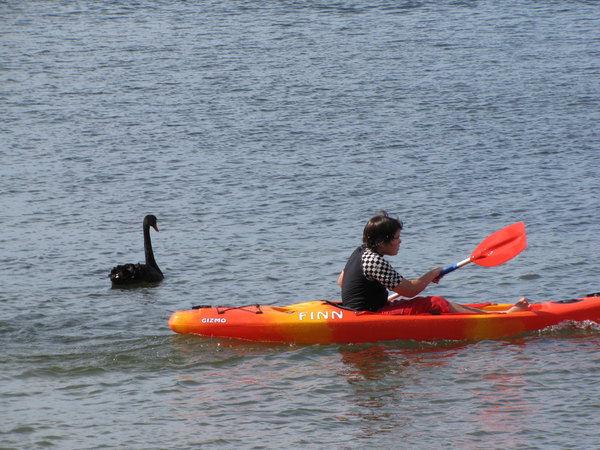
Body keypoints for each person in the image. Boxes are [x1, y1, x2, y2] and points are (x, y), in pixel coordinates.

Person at [338, 211, 530, 315]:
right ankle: (503, 317)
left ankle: (488, 313)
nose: (400, 241)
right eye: (397, 237)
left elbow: (342, 281)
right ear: (383, 241)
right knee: (435, 302)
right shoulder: (375, 261)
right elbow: (410, 291)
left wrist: (372, 292)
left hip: (357, 308)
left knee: (431, 304)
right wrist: (432, 273)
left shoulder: (360, 252)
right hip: (369, 314)